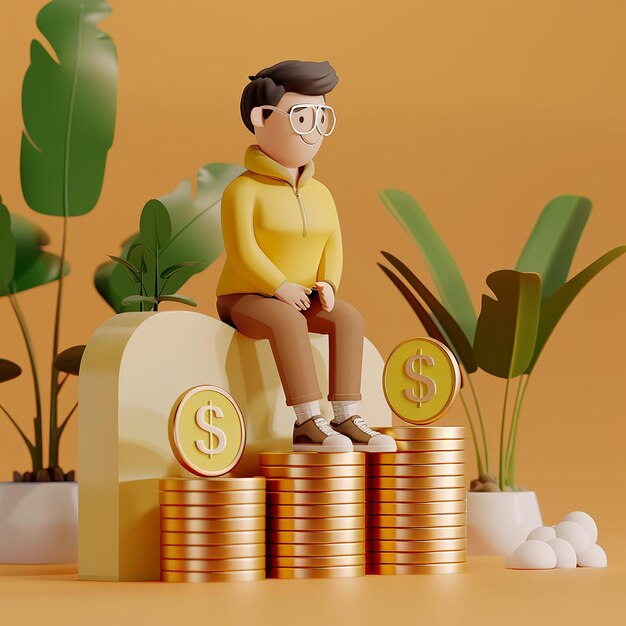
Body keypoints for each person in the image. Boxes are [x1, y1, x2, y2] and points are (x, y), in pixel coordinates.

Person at [216, 59, 395, 453]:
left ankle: (345, 414)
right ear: (262, 117)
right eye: (301, 117)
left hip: (306, 296)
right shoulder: (242, 191)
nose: (313, 130)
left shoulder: (321, 193)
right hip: (246, 298)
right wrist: (278, 287)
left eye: (321, 117)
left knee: (348, 317)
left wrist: (328, 284)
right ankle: (306, 421)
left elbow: (333, 243)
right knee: (286, 322)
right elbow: (243, 251)